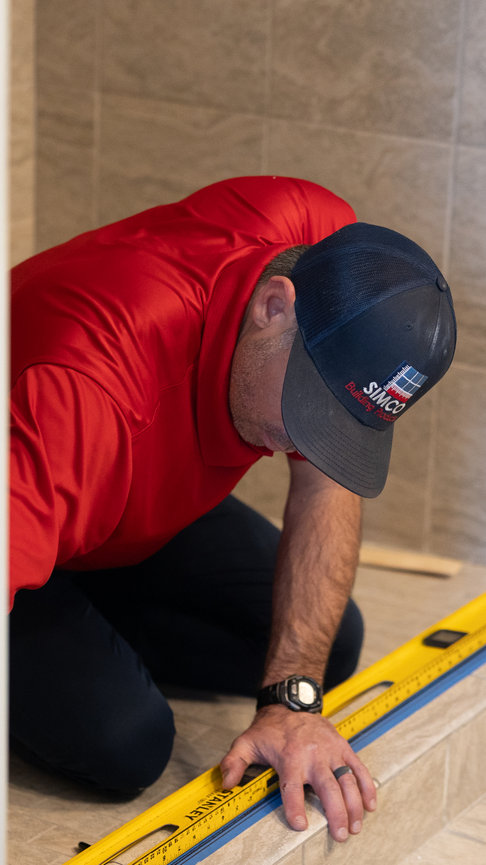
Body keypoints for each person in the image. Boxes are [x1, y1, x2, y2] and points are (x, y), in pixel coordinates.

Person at [9, 176, 456, 844]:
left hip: (113, 495)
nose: (311, 442)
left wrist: (290, 704)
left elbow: (324, 484)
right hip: (34, 473)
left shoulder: (330, 253)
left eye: (342, 424)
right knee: (124, 742)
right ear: (274, 306)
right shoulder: (83, 391)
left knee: (323, 648)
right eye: (310, 408)